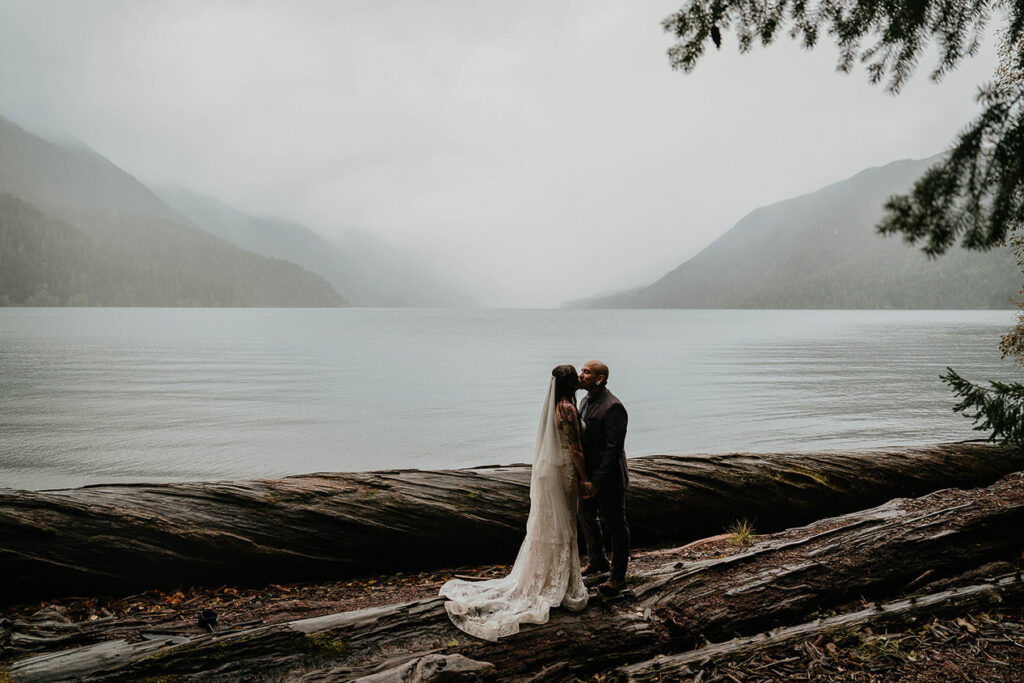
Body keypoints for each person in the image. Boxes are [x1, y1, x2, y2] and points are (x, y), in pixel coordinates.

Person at [439, 365, 591, 641]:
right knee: (563, 523)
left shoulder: (558, 405)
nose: (582, 378)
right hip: (564, 469)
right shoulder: (567, 408)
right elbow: (574, 447)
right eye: (578, 376)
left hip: (550, 468)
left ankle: (551, 576)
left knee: (552, 523)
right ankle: (558, 583)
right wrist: (585, 478)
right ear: (570, 383)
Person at [577, 360, 630, 595]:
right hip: (587, 475)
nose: (581, 375)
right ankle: (597, 559)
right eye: (582, 370)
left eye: (586, 372)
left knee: (616, 524)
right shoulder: (584, 400)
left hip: (609, 478)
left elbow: (613, 450)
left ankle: (618, 576)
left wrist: (595, 482)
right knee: (586, 515)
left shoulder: (613, 407)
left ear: (599, 379)